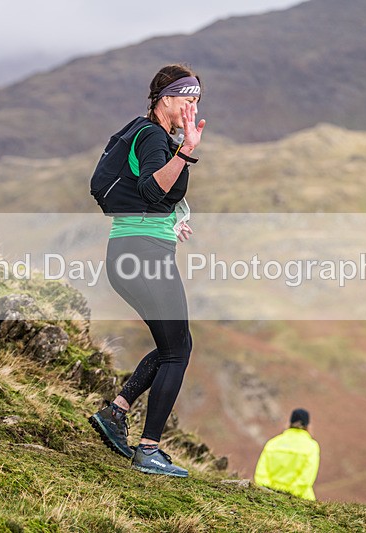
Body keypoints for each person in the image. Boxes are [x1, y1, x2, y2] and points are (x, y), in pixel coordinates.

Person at [89, 64, 205, 477]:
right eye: (188, 100)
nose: (192, 109)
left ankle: (115, 414)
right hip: (144, 256)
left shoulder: (141, 132)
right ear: (167, 99)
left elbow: (150, 196)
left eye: (197, 102)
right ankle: (149, 449)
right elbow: (152, 188)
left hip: (130, 252)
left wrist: (172, 220)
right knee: (178, 351)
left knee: (173, 344)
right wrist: (187, 150)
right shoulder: (155, 135)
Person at [254, 408, 320, 500]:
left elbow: (261, 474)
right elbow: (306, 478)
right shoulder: (311, 446)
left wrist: (269, 492)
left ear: (289, 423)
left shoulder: (273, 443)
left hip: (269, 497)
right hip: (302, 500)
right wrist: (290, 496)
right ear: (308, 426)